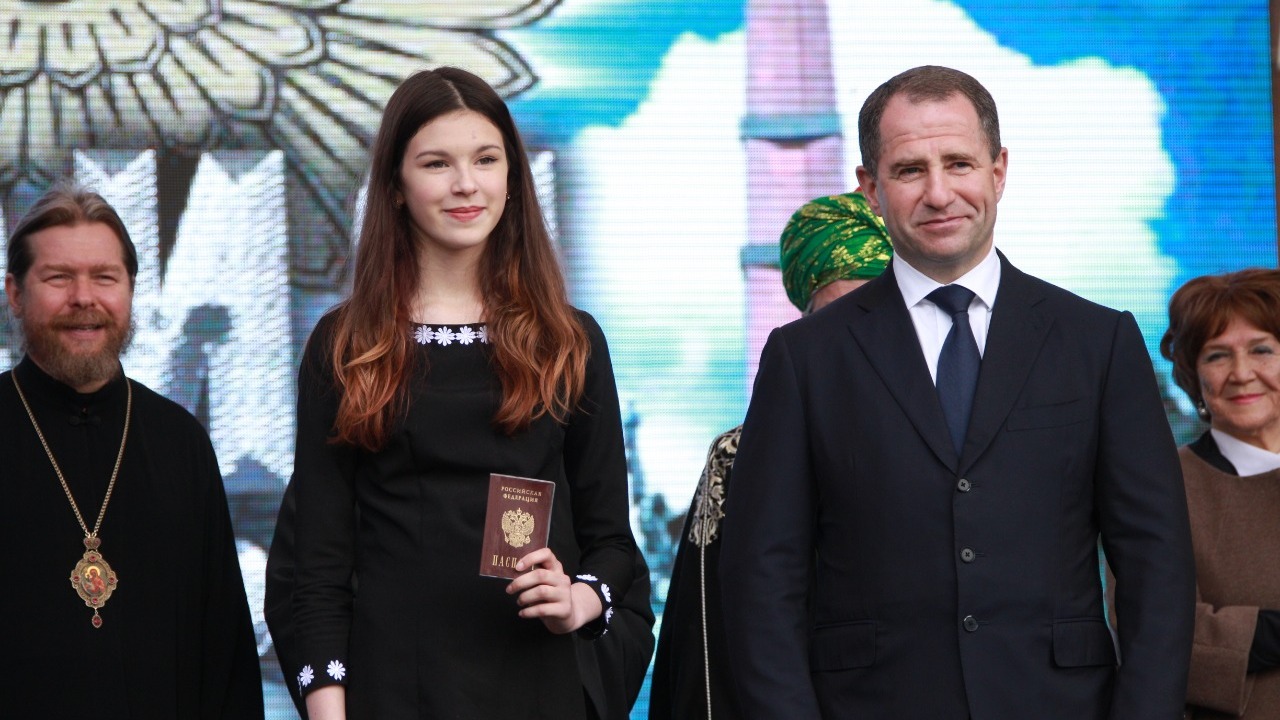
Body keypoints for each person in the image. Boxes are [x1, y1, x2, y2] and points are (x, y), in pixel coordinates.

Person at [718, 65, 1196, 719]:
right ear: (871, 188)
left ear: (999, 171)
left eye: (959, 164)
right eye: (910, 170)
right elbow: (761, 578)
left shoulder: (1097, 341)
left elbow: (1155, 563)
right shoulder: (804, 358)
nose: (939, 193)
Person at [287, 66, 643, 719]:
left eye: (485, 159)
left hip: (538, 690)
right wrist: (329, 711)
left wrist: (576, 600)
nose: (465, 184)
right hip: (394, 693)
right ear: (395, 187)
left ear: (513, 177)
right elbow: (315, 565)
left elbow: (614, 547)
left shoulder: (570, 341)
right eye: (436, 163)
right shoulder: (345, 345)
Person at [1, 183, 264, 718]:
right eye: (59, 277)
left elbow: (225, 653)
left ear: (130, 290)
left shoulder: (181, 441)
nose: (84, 298)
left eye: (105, 277)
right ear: (15, 294)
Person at [648, 189, 891, 719]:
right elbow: (704, 651)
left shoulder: (963, 441)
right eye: (837, 318)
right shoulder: (738, 457)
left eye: (878, 315)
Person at [265, 475, 655, 719]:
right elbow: (305, 590)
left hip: (539, 691)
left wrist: (576, 670)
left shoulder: (559, 438)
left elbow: (620, 579)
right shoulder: (365, 429)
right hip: (397, 696)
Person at [1160, 268, 1280, 719]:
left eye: (1262, 350)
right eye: (1217, 356)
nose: (1242, 373)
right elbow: (1158, 633)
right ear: (1194, 376)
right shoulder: (1165, 484)